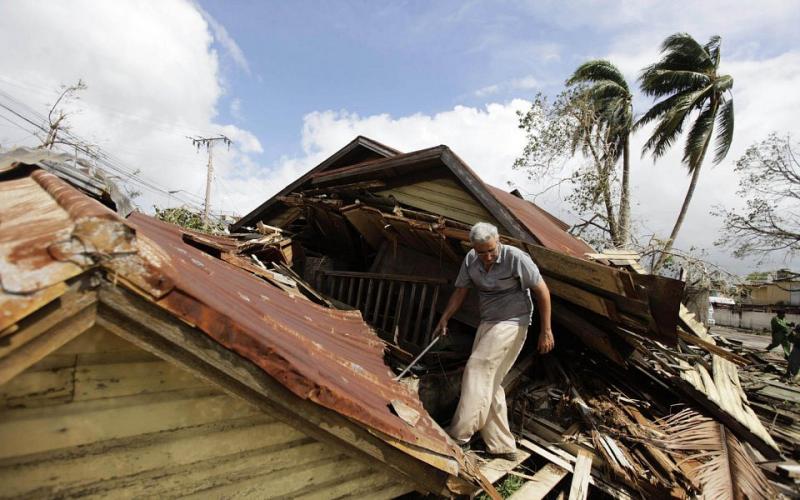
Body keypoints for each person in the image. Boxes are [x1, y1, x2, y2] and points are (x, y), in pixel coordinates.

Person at [433, 222, 553, 460]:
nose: (487, 257)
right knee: (490, 382)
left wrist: (546, 330)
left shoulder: (515, 258)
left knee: (477, 367)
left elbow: (542, 291)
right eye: (482, 252)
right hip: (488, 322)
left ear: (498, 242)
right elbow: (460, 291)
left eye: (491, 250)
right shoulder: (471, 260)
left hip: (513, 322)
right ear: (473, 247)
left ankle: (460, 435)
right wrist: (445, 317)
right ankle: (502, 445)